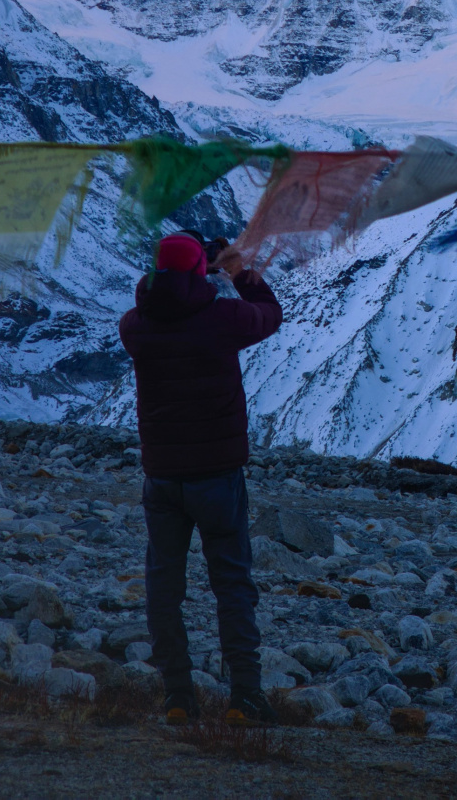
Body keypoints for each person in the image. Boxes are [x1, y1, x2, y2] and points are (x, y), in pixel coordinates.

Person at [119, 228, 282, 725]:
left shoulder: (136, 326)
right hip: (218, 478)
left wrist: (188, 272)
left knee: (164, 586)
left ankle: (177, 697)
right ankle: (245, 697)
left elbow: (158, 302)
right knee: (232, 585)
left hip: (163, 479)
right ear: (199, 274)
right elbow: (269, 315)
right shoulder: (222, 317)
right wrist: (234, 269)